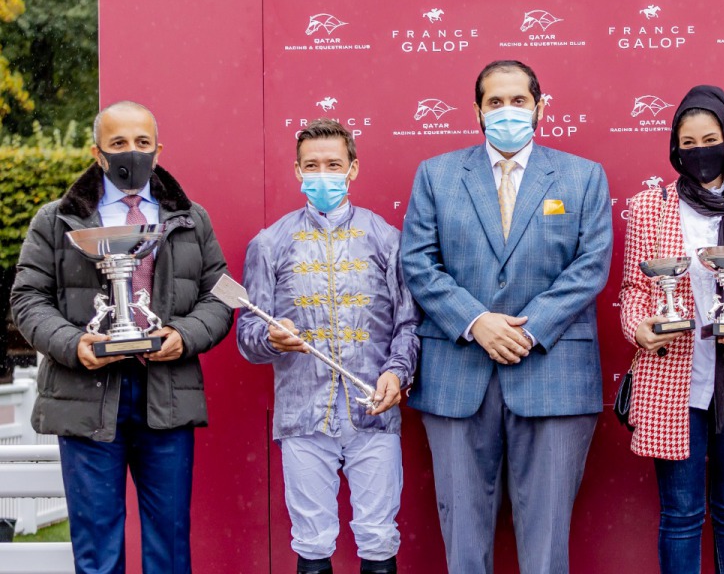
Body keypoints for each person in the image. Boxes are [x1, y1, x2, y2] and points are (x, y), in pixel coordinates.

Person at [400, 59, 613, 574]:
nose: (507, 111)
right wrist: (477, 322)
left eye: (518, 100)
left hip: (553, 373)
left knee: (546, 541)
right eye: (494, 102)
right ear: (477, 111)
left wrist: (529, 328)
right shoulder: (436, 175)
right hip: (458, 374)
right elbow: (418, 262)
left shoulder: (583, 177)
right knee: (463, 537)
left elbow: (590, 266)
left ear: (540, 107)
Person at [11, 100, 232, 574]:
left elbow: (220, 299)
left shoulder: (192, 219)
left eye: (142, 142)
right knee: (97, 551)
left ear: (158, 150)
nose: (131, 151)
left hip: (166, 394)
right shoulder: (55, 220)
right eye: (118, 143)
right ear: (97, 152)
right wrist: (73, 344)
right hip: (84, 395)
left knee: (169, 547)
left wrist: (184, 335)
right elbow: (27, 300)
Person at [237, 119, 419, 574]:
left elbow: (409, 323)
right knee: (312, 540)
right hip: (302, 415)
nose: (323, 174)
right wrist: (271, 339)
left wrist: (396, 373)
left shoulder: (386, 239)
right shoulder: (269, 244)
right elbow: (247, 334)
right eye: (312, 165)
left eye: (333, 165)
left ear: (352, 169)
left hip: (374, 411)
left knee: (379, 535)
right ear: (297, 171)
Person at [618, 85, 724, 573]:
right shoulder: (650, 206)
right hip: (673, 380)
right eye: (688, 143)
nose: (700, 152)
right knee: (681, 514)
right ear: (675, 148)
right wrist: (640, 329)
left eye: (710, 140)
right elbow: (634, 288)